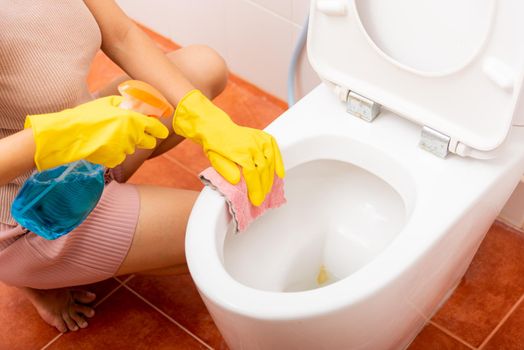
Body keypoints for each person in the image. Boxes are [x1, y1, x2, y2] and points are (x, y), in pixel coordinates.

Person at [0, 0, 284, 333]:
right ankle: (35, 276)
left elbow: (121, 35)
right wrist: (60, 136)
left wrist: (204, 118)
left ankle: (97, 221)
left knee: (203, 66)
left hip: (86, 147)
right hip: (30, 211)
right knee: (225, 235)